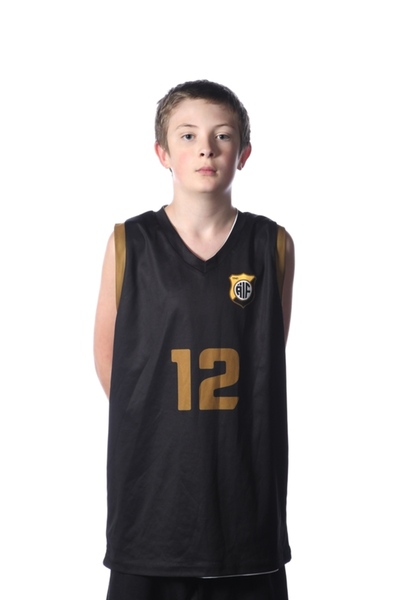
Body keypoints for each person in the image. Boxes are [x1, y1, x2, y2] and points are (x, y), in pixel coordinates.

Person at [94, 80, 295, 600]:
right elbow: (110, 359)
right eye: (187, 136)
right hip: (152, 506)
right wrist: (161, 421)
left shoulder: (271, 244)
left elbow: (267, 356)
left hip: (244, 504)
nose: (206, 148)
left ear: (243, 154)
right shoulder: (129, 242)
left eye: (222, 135)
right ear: (162, 153)